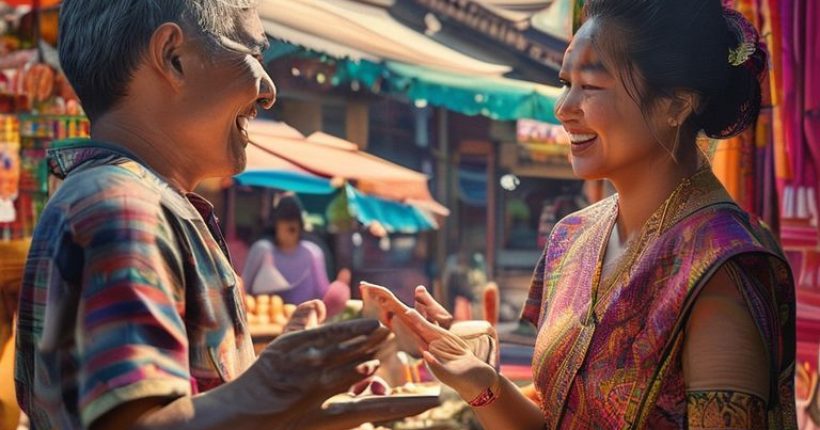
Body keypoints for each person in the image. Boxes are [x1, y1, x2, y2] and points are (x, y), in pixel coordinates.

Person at [14, 2, 429, 429]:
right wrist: (268, 392)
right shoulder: (122, 206)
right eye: (253, 54)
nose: (268, 91)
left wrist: (274, 398)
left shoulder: (135, 201)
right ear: (173, 57)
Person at [400, 0, 797, 428]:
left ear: (676, 104)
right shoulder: (571, 238)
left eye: (589, 86)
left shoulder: (721, 265)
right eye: (565, 83)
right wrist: (482, 383)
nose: (563, 108)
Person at [242, 194, 350, 311]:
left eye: (293, 226)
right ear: (275, 225)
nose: (289, 229)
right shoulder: (262, 250)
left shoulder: (312, 253)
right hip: (265, 317)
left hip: (304, 318)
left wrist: (339, 289)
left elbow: (322, 294)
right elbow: (243, 289)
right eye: (285, 223)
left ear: (300, 227)